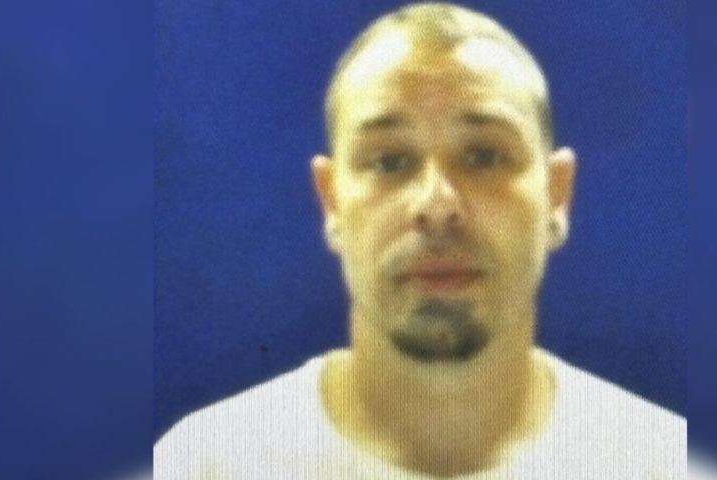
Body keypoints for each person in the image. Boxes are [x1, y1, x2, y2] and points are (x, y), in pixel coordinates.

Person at [154, 3, 686, 479]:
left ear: (556, 195)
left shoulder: (659, 463)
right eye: (390, 161)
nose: (436, 206)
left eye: (483, 156)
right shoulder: (205, 464)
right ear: (332, 201)